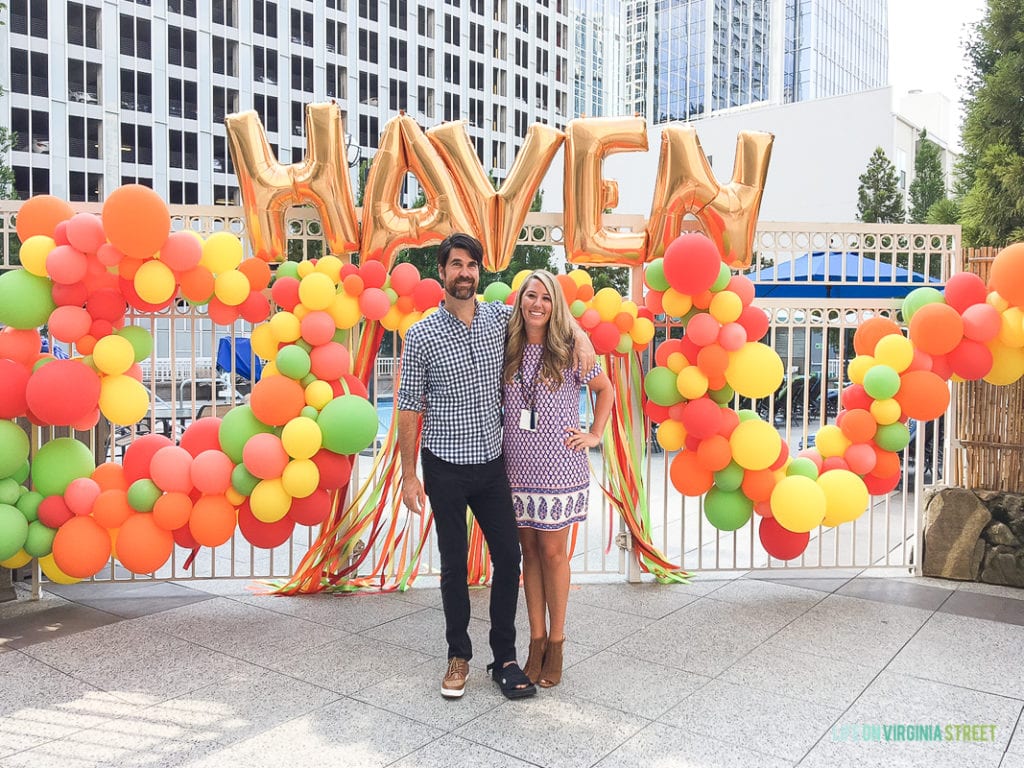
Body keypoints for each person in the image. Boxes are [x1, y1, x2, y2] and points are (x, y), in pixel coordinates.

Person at [397, 233, 594, 700]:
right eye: (456, 265)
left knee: (509, 558)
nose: (464, 273)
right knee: (453, 565)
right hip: (444, 465)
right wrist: (409, 475)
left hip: (492, 466)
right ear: (441, 272)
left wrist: (582, 334)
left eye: (471, 266)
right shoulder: (421, 334)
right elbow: (407, 408)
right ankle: (458, 655)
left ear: (479, 273)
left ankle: (503, 657)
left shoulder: (498, 319)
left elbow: (546, 312)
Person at [502, 270, 613, 688]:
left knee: (553, 555)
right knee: (527, 554)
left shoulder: (569, 348)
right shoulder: (507, 345)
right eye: (531, 296)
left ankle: (559, 642)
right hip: (516, 468)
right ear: (521, 301)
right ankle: (536, 641)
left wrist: (595, 434)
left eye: (546, 298)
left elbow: (606, 390)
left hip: (558, 468)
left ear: (556, 305)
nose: (537, 304)